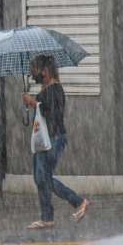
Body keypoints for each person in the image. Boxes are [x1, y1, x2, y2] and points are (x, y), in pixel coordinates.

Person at [22, 55, 91, 229]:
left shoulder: (55, 90)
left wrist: (34, 103)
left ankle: (78, 201)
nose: (33, 74)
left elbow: (52, 114)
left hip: (53, 138)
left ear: (45, 71)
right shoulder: (44, 91)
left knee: (44, 178)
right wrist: (32, 103)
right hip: (43, 139)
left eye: (35, 70)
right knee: (40, 178)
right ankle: (47, 217)